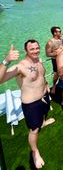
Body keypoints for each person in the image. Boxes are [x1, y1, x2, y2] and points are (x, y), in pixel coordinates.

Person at [0, 41, 55, 169]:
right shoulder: (20, 67)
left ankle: (43, 122)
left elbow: (41, 76)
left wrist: (46, 85)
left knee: (44, 115)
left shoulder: (38, 61)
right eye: (32, 49)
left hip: (44, 97)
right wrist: (6, 61)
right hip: (32, 104)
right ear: (26, 50)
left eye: (37, 48)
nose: (35, 51)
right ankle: (35, 152)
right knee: (34, 130)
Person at [45, 26, 63, 94]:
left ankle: (62, 84)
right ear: (55, 33)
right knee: (56, 74)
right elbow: (48, 54)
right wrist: (57, 53)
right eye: (60, 31)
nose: (61, 32)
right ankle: (54, 86)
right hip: (56, 60)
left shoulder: (61, 39)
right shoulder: (50, 42)